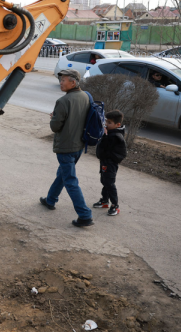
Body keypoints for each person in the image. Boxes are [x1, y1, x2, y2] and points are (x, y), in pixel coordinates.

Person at [39, 69, 94, 227]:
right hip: (79, 145)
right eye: (60, 79)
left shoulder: (63, 101)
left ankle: (85, 215)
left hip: (66, 146)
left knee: (70, 180)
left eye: (64, 80)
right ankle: (50, 200)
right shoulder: (86, 96)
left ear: (73, 82)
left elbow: (55, 127)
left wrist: (53, 118)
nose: (61, 82)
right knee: (63, 174)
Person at [93, 110, 127, 216]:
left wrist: (104, 137)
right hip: (105, 162)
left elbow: (119, 152)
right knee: (105, 181)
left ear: (117, 125)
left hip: (110, 163)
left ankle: (115, 205)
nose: (106, 124)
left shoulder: (115, 136)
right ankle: (104, 201)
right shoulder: (111, 133)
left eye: (109, 123)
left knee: (109, 183)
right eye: (106, 122)